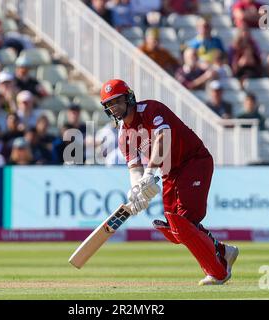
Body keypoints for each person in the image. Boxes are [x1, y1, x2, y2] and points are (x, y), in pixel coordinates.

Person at [99, 79, 239, 285]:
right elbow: (133, 168)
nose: (115, 107)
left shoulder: (152, 109)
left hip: (193, 161)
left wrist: (149, 174)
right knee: (175, 231)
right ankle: (223, 251)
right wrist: (137, 189)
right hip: (169, 173)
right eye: (110, 104)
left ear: (129, 97)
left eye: (118, 101)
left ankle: (218, 272)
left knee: (183, 223)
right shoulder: (123, 135)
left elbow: (162, 140)